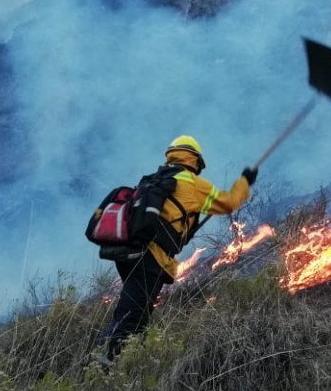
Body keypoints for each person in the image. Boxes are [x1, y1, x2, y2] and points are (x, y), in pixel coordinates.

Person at [98, 135, 257, 364]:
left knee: (136, 309)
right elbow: (229, 201)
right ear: (195, 160)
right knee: (132, 315)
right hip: (151, 256)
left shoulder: (153, 180)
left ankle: (127, 361)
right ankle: (106, 365)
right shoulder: (191, 183)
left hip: (128, 253)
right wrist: (245, 181)